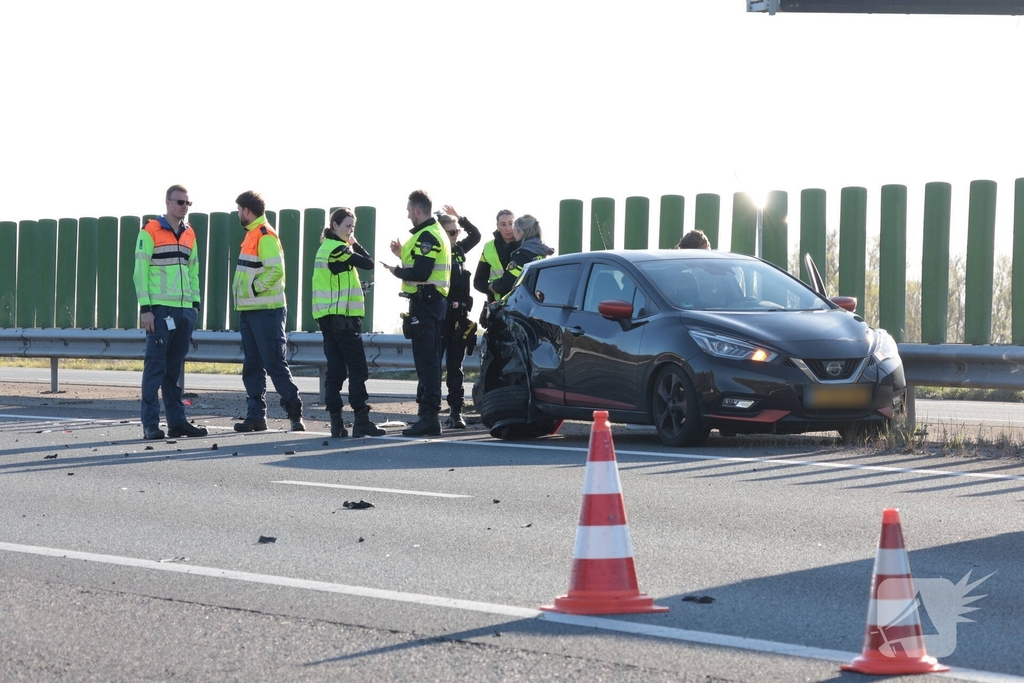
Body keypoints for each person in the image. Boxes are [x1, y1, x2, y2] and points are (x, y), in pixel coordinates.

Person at [134, 184, 207, 440]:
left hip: (184, 312)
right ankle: (150, 425)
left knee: (173, 371)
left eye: (188, 203)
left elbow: (194, 270)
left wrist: (195, 306)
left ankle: (177, 423)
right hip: (160, 310)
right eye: (180, 202)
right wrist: (146, 309)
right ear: (167, 203)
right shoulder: (150, 230)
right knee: (155, 368)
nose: (184, 207)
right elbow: (140, 271)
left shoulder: (190, 233)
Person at [232, 190, 306, 433]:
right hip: (251, 310)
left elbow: (276, 271)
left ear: (246, 210)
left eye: (239, 210)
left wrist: (253, 288)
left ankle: (295, 413)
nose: (238, 215)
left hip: (266, 311)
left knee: (274, 363)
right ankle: (255, 417)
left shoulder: (264, 235)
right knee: (252, 365)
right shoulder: (254, 234)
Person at [381, 190, 451, 437]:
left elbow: (421, 272)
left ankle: (430, 417)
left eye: (409, 210)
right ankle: (425, 415)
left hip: (427, 304)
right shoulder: (427, 234)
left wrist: (395, 271)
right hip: (426, 303)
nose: (408, 214)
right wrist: (402, 256)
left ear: (418, 210)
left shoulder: (428, 236)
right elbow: (419, 265)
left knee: (428, 362)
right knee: (425, 361)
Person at [312, 208, 386, 438]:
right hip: (342, 318)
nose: (350, 231)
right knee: (357, 369)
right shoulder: (338, 249)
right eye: (347, 226)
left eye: (352, 227)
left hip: (327, 318)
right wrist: (356, 243)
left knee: (335, 371)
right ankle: (361, 420)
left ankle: (337, 423)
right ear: (334, 225)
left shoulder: (324, 249)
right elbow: (369, 263)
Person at [437, 205, 481, 429]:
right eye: (451, 232)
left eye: (457, 231)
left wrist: (461, 218)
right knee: (433, 366)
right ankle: (428, 412)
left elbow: (476, 235)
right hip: (438, 318)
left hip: (459, 318)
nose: (456, 235)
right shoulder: (435, 251)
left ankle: (456, 412)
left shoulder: (459, 250)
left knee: (456, 367)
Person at [490, 214, 554, 297]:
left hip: (525, 304)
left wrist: (491, 286)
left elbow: (507, 284)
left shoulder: (521, 255)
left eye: (515, 230)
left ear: (520, 232)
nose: (513, 233)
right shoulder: (543, 252)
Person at [472, 209, 519, 322]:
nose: (508, 228)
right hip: (497, 307)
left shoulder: (525, 244)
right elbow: (478, 282)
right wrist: (491, 287)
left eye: (511, 223)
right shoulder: (489, 248)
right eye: (503, 224)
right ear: (497, 226)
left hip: (521, 306)